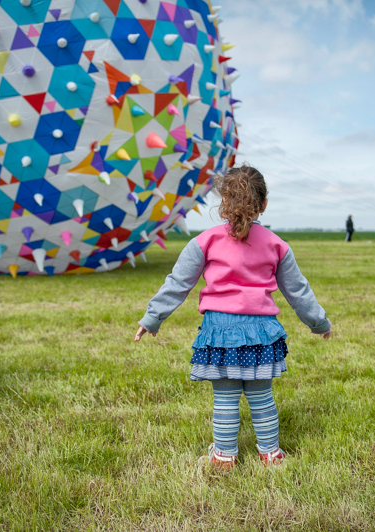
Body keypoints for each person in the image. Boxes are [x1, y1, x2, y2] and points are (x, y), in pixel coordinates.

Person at [134, 165, 332, 469]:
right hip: (262, 334)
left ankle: (225, 457)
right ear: (263, 204)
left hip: (220, 332)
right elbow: (298, 291)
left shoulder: (204, 241)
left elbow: (178, 284)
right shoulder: (277, 244)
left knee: (225, 398)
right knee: (261, 397)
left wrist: (152, 318)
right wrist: (319, 322)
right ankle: (271, 455)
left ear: (223, 202)